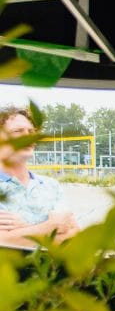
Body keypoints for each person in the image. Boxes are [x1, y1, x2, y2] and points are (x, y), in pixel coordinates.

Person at [0, 105, 78, 248]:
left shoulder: (51, 186)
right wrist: (52, 226)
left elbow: (74, 235)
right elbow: (3, 242)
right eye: (18, 131)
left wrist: (24, 229)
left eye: (31, 131)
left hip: (51, 270)